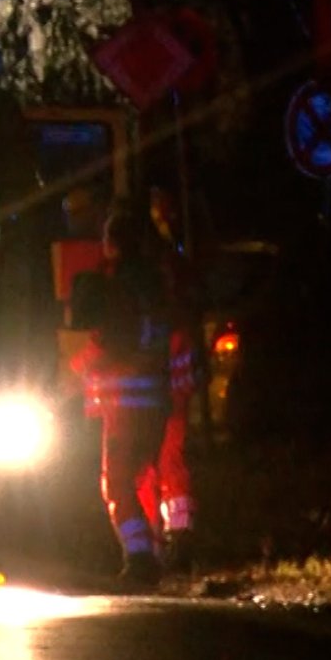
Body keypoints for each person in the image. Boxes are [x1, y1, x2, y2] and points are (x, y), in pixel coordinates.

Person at [69, 204, 172, 589]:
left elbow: (108, 340)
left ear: (112, 243)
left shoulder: (115, 285)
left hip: (125, 401)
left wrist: (79, 367)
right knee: (146, 478)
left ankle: (139, 557)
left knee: (116, 483)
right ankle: (155, 554)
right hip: (156, 398)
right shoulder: (156, 284)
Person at [146, 186, 204, 572]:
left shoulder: (150, 268)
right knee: (169, 461)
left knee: (149, 465)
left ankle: (158, 543)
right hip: (169, 386)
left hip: (153, 386)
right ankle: (174, 539)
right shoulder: (173, 264)